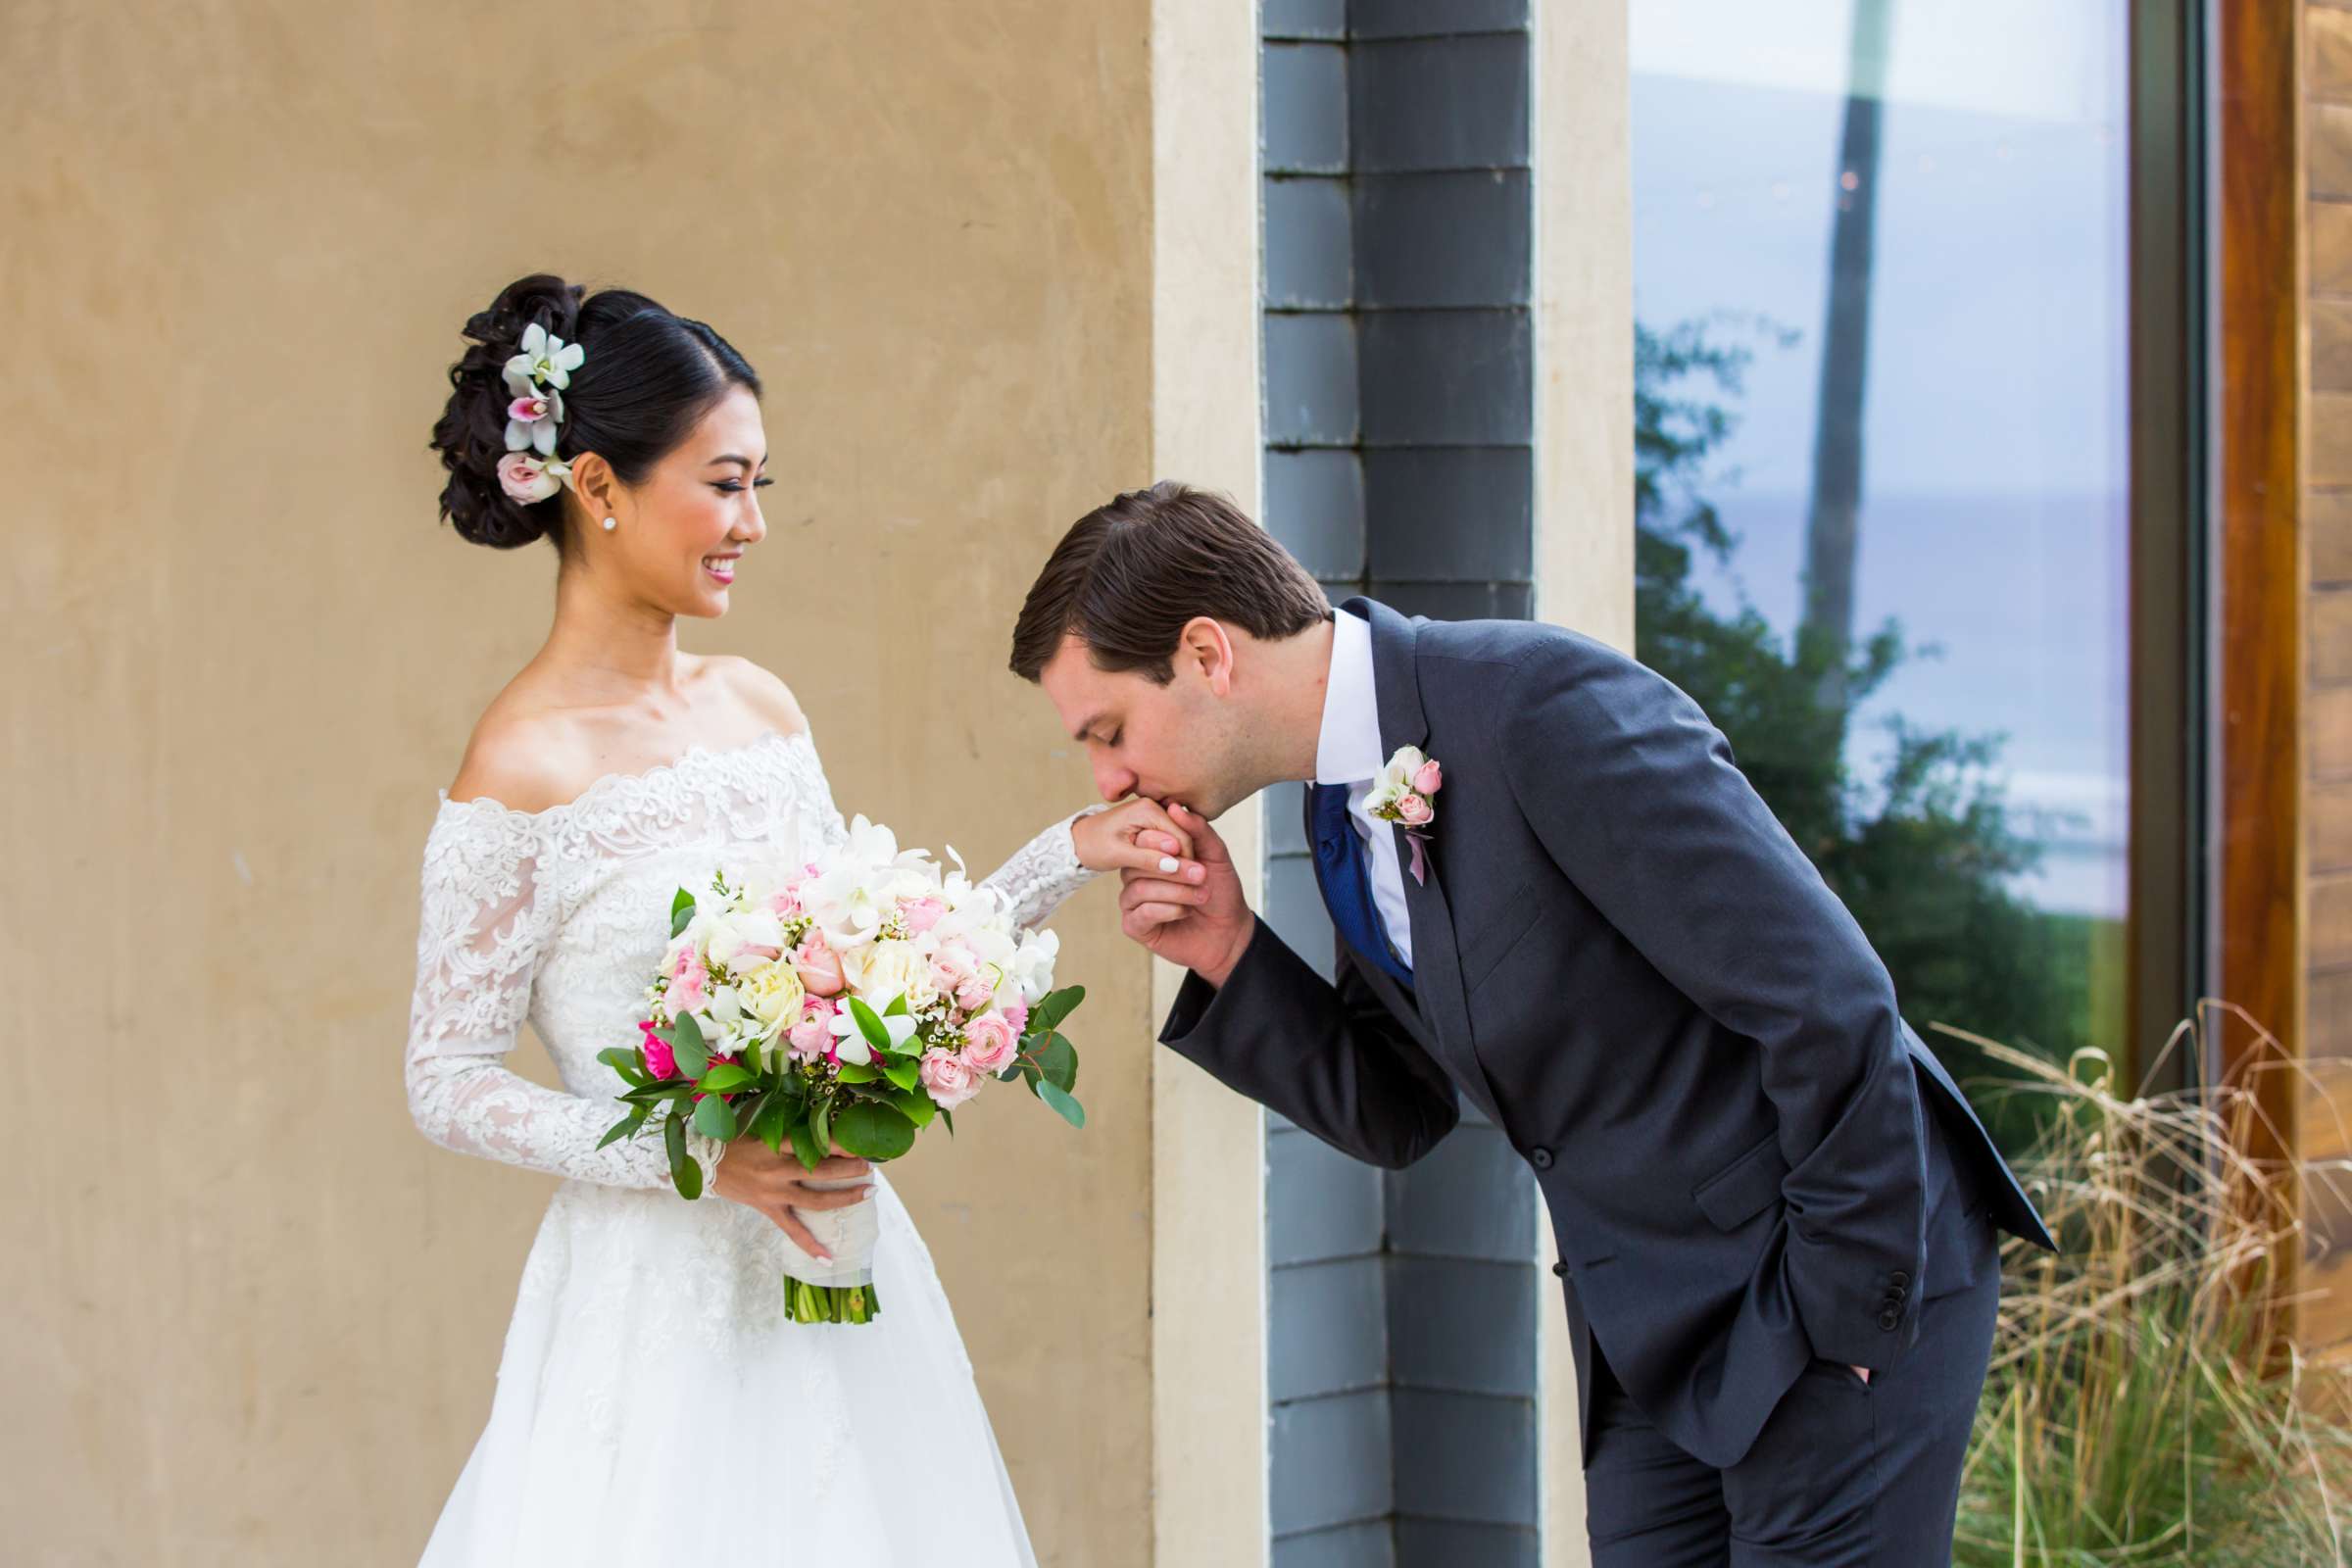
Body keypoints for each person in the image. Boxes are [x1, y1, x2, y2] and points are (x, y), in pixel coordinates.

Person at [1009, 481, 2057, 1568]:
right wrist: (1227, 946)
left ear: (1207, 652)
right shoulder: (1337, 807)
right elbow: (1401, 1110)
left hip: (1827, 1271)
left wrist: (1847, 1316)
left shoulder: (1538, 704)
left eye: (1110, 729)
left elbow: (1829, 1000)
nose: (1109, 778)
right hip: (1653, 1336)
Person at [405, 276, 1193, 1565]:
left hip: (840, 1262)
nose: (753, 524)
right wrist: (687, 1158)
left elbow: (871, 973)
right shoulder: (521, 769)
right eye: (725, 484)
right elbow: (443, 1080)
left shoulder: (759, 709)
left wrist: (1069, 852)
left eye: (758, 484)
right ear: (598, 485)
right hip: (649, 1315)